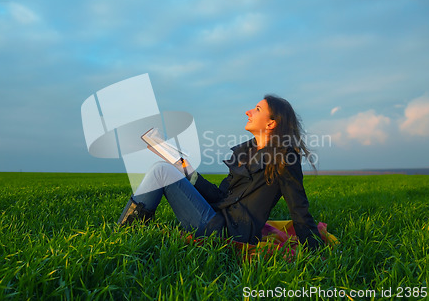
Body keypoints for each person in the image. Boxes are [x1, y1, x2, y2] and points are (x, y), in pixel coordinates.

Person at [117, 94, 322, 250]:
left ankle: (123, 232)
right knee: (165, 168)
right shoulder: (246, 152)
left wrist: (315, 250)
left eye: (257, 109)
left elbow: (299, 209)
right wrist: (185, 168)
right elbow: (220, 195)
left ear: (271, 123)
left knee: (160, 170)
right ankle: (129, 230)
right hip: (215, 217)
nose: (248, 112)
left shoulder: (284, 158)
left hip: (230, 233)